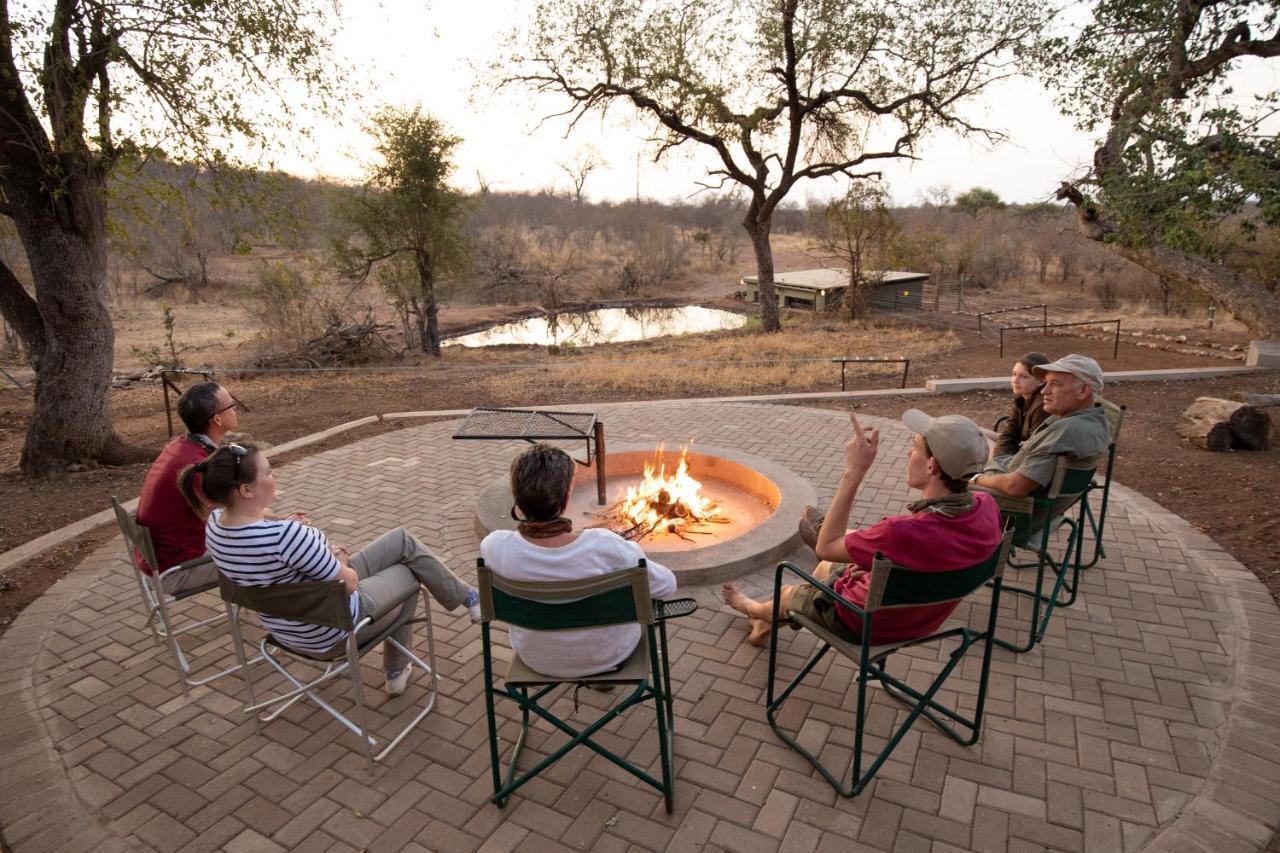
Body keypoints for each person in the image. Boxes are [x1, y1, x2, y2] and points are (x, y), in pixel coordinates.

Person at [185, 443, 479, 697]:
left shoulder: (215, 526)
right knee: (409, 572)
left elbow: (260, 522)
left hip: (289, 625)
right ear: (246, 489)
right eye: (269, 472)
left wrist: (307, 543)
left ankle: (467, 597)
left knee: (401, 540)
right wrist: (336, 560)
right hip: (332, 630)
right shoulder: (288, 537)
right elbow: (349, 583)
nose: (276, 477)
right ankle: (397, 668)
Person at [724, 411, 1002, 647]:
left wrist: (854, 471)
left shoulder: (901, 532)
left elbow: (825, 546)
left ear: (931, 465)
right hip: (924, 618)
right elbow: (936, 554)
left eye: (915, 446)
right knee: (825, 569)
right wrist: (884, 571)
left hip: (866, 622)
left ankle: (756, 610)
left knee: (790, 590)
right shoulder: (986, 506)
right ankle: (774, 619)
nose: (908, 452)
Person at [480, 444, 677, 679]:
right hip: (609, 656)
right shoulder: (605, 546)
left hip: (536, 659)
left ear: (518, 502)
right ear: (566, 499)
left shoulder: (495, 547)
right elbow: (667, 585)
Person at [134, 382, 241, 594]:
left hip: (159, 558)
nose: (235, 408)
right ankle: (289, 617)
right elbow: (230, 518)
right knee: (269, 550)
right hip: (176, 570)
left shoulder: (180, 446)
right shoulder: (195, 466)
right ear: (217, 419)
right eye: (232, 405)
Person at [970, 354, 1110, 498]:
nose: (1044, 391)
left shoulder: (1065, 430)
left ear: (1083, 391)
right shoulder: (1090, 421)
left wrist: (975, 478)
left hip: (1012, 504)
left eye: (1055, 383)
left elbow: (1015, 487)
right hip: (1008, 470)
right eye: (1046, 383)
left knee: (948, 479)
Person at [992, 351, 1051, 458]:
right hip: (1016, 447)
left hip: (1024, 456)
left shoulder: (1043, 405)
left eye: (1024, 377)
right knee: (976, 431)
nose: (1016, 380)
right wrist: (998, 457)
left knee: (981, 442)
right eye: (1014, 374)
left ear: (1041, 381)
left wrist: (998, 461)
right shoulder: (1022, 398)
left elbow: (1034, 447)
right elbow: (1009, 432)